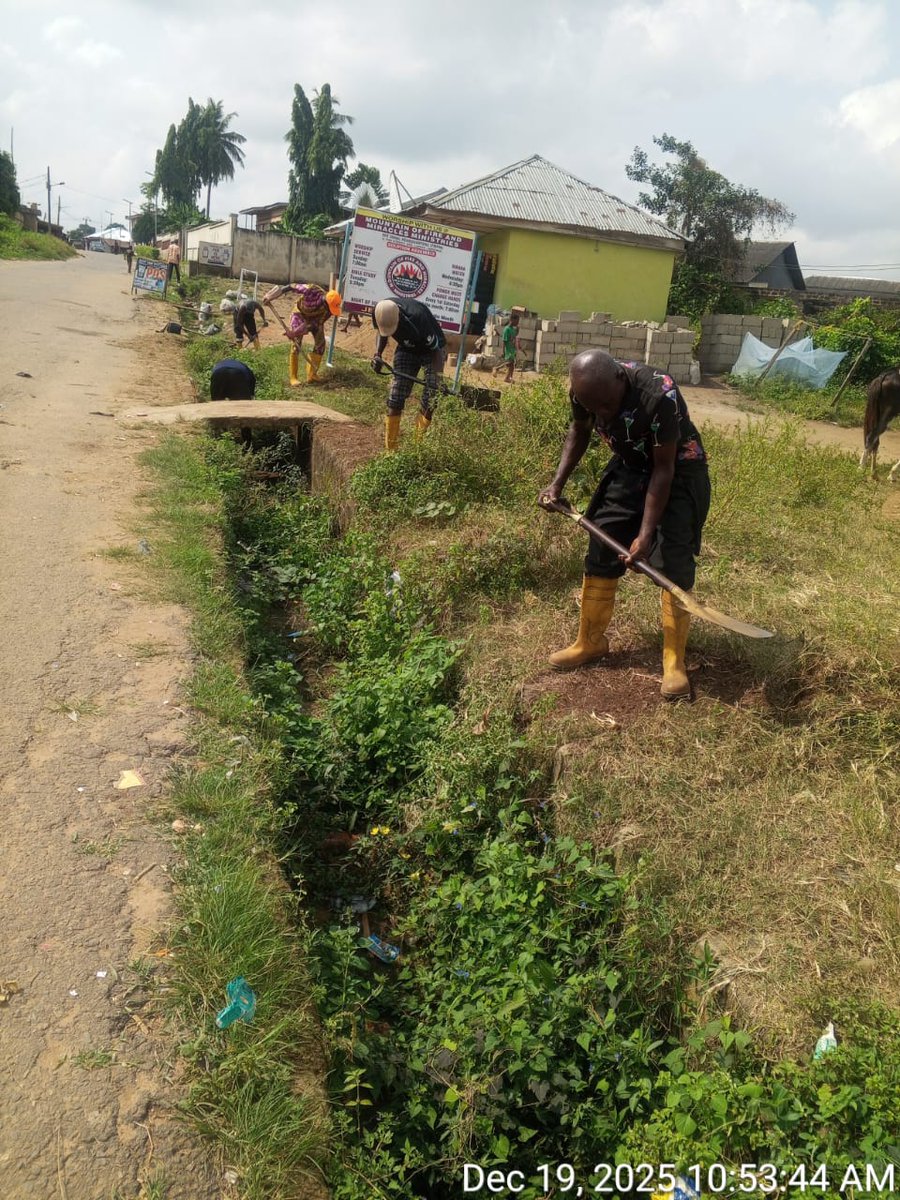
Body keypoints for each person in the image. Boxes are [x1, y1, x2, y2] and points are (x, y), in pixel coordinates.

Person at [538, 349, 710, 700]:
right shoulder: (584, 391)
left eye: (607, 404)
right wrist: (556, 484)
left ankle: (674, 662)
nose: (603, 413)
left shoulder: (659, 394)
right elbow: (580, 430)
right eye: (595, 407)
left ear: (619, 378)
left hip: (676, 471)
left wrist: (645, 537)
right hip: (631, 464)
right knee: (602, 543)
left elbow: (664, 471)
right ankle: (590, 642)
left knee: (674, 562)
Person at [370, 298, 446, 451]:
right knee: (396, 396)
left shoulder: (418, 318)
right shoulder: (379, 311)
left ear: (399, 317)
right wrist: (378, 354)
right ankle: (390, 451)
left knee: (431, 397)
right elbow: (382, 332)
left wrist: (436, 379)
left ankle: (415, 447)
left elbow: (436, 352)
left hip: (431, 352)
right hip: (407, 349)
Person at [264, 283, 341, 385]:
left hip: (313, 321)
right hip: (299, 313)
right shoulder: (312, 290)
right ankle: (293, 378)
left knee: (321, 344)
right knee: (296, 343)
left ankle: (312, 375)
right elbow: (291, 286)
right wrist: (272, 295)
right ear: (325, 301)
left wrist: (295, 332)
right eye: (329, 307)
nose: (330, 311)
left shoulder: (328, 312)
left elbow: (313, 324)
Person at [495, 311, 521, 382]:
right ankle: (497, 368)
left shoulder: (513, 329)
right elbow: (504, 341)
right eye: (517, 321)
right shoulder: (507, 329)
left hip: (512, 349)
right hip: (508, 349)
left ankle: (509, 378)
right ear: (512, 320)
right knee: (510, 363)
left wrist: (518, 331)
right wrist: (503, 351)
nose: (518, 322)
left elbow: (514, 336)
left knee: (512, 365)